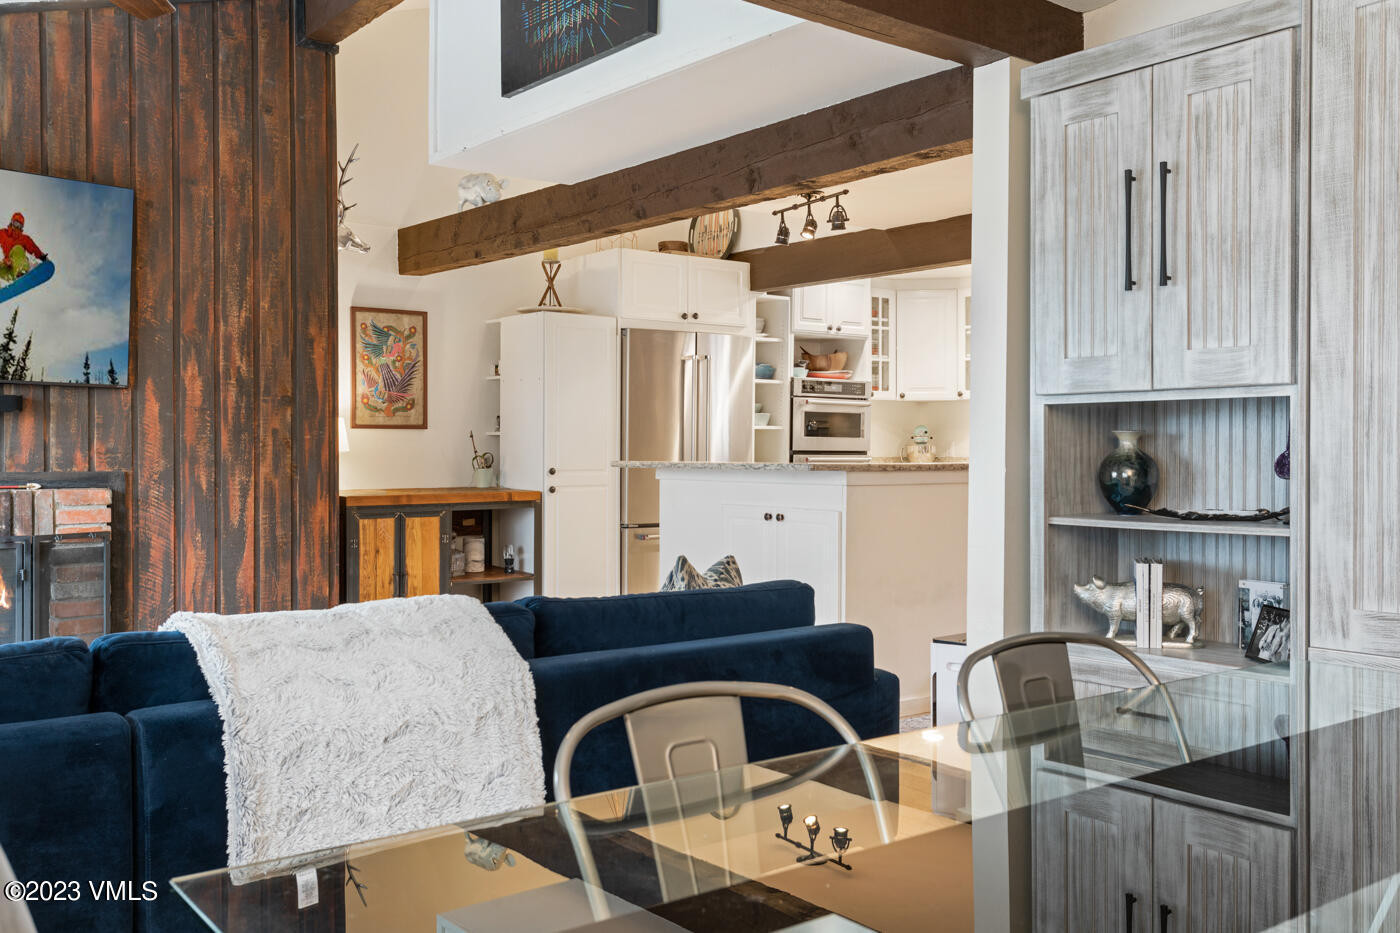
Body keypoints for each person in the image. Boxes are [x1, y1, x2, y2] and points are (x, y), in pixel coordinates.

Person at [0, 213, 48, 285]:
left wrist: (43, 257)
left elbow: (34, 249)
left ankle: (21, 273)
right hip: (9, 270)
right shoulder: (3, 233)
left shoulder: (24, 239)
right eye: (16, 223)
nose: (17, 227)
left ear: (22, 227)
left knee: (17, 248)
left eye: (19, 225)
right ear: (11, 222)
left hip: (20, 265)